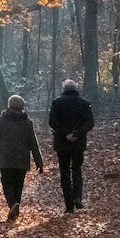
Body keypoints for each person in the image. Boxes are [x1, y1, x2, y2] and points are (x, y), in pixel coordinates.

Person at [0, 94, 43, 222]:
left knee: (7, 183)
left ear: (9, 105)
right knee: (18, 184)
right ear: (22, 106)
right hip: (22, 158)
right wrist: (39, 161)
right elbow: (33, 142)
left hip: (6, 158)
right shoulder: (27, 122)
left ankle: (12, 204)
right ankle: (16, 204)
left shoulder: (2, 120)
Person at [47, 79, 94, 213]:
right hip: (79, 143)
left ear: (64, 88)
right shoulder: (84, 103)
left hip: (62, 144)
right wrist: (77, 133)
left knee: (65, 172)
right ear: (76, 88)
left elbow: (52, 122)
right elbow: (90, 122)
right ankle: (77, 196)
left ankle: (69, 205)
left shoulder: (57, 103)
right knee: (77, 170)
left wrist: (65, 133)